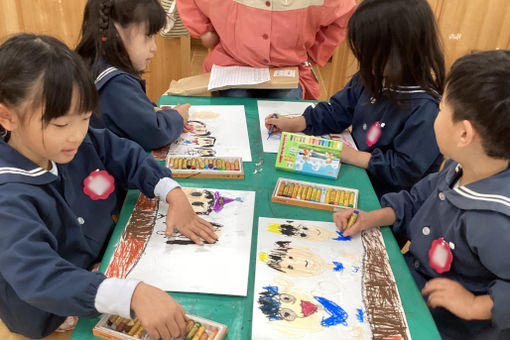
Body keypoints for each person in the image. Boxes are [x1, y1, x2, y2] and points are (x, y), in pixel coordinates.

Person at [0, 34, 217, 339]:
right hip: (47, 316)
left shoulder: (71, 142)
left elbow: (126, 155)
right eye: (62, 124)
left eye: (86, 118)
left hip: (103, 273)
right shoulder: (8, 196)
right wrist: (130, 295)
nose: (77, 134)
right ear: (7, 117)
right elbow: (38, 275)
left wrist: (171, 191)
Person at [335, 50, 510, 339]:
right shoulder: (461, 165)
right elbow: (417, 198)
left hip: (446, 328)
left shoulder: (498, 220)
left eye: (441, 107)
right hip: (410, 289)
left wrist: (475, 305)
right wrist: (370, 217)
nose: (435, 113)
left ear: (464, 134)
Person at [266, 0, 444, 197]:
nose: (362, 60)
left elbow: (403, 170)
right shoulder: (372, 77)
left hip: (383, 201)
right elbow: (337, 111)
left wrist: (353, 156)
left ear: (403, 51)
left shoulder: (427, 109)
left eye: (369, 53)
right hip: (353, 175)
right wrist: (297, 123)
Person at [176, 0, 356, 100]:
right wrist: (204, 30)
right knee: (235, 103)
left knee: (287, 105)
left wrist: (314, 53)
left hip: (289, 68)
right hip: (233, 62)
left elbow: (344, 15)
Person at [76, 0, 190, 151]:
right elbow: (154, 133)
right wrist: (178, 117)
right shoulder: (115, 84)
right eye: (148, 36)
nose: (154, 47)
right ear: (117, 32)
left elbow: (128, 114)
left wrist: (151, 110)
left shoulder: (93, 63)